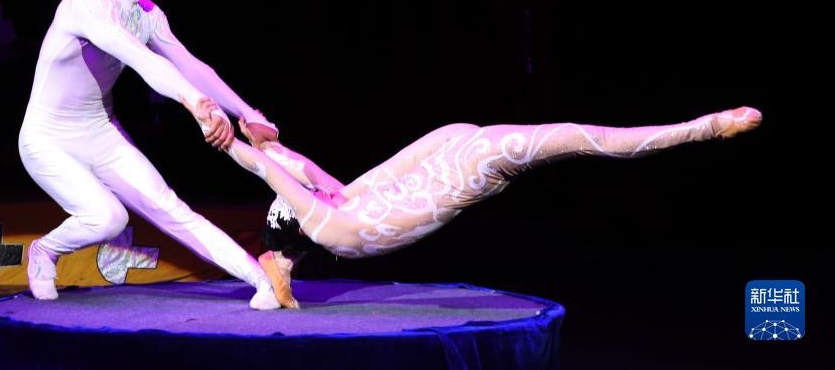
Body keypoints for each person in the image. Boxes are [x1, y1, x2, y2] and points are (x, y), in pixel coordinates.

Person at [220, 105, 763, 308]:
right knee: (582, 137)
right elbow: (280, 175)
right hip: (462, 158)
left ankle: (702, 129)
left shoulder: (334, 214)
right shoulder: (331, 222)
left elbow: (302, 174)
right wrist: (228, 139)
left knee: (581, 138)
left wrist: (262, 142)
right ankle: (702, 128)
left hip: (454, 157)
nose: (313, 193)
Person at [19, 0, 283, 309]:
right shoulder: (86, 1)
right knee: (108, 218)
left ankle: (261, 281)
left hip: (101, 133)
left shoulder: (148, 15)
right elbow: (141, 60)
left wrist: (248, 114)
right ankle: (45, 250)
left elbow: (192, 66)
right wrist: (197, 106)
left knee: (171, 208)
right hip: (46, 139)